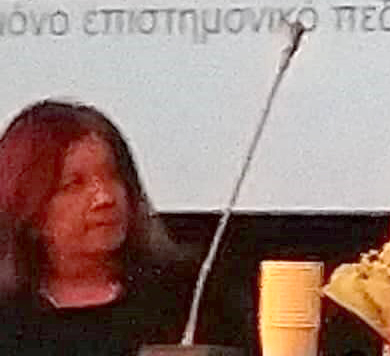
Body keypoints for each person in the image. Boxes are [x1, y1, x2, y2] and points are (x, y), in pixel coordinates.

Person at [0, 99, 248, 356]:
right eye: (74, 184)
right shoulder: (9, 316)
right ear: (28, 207)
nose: (105, 198)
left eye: (113, 175)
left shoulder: (187, 296)